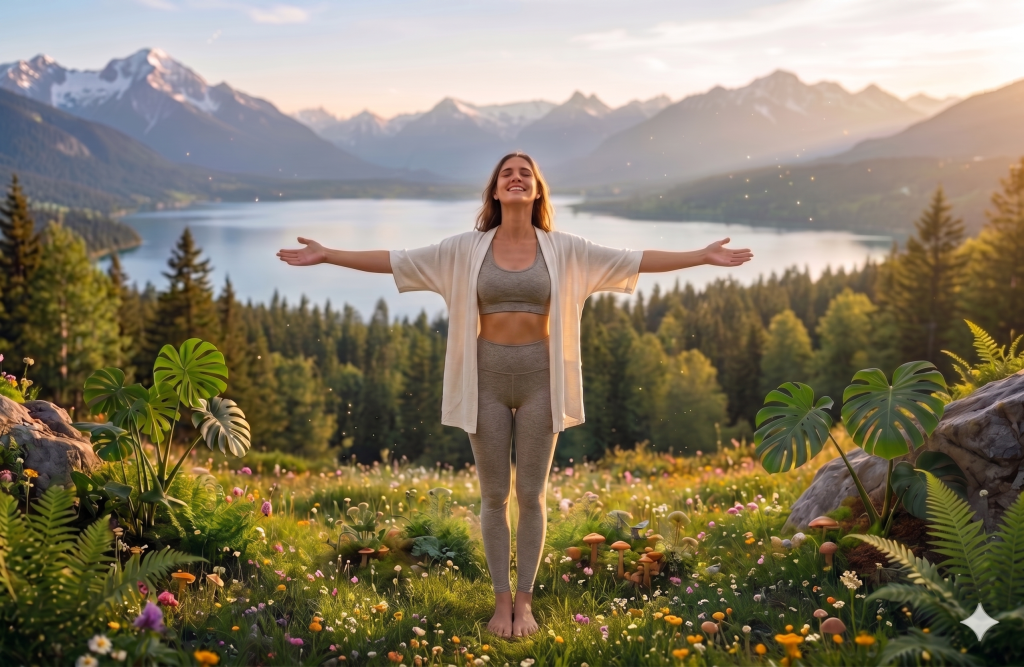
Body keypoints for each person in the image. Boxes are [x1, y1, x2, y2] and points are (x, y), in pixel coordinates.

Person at [277, 152, 753, 638]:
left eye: (525, 173)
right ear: (496, 191)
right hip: (483, 379)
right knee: (493, 495)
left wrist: (701, 254)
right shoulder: (465, 249)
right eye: (507, 173)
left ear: (538, 189)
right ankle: (499, 601)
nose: (516, 178)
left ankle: (524, 604)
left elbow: (633, 259)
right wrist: (328, 253)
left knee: (531, 494)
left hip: (540, 381)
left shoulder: (564, 248)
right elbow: (397, 260)